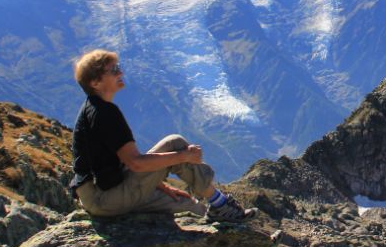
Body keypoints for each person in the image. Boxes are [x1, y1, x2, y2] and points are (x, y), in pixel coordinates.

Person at [69, 49, 255, 223]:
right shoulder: (104, 113)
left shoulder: (93, 110)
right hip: (104, 197)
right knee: (175, 143)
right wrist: (184, 157)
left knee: (189, 206)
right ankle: (220, 204)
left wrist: (157, 184)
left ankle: (240, 234)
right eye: (114, 70)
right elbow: (136, 163)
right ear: (95, 82)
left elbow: (114, 162)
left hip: (102, 194)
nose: (120, 73)